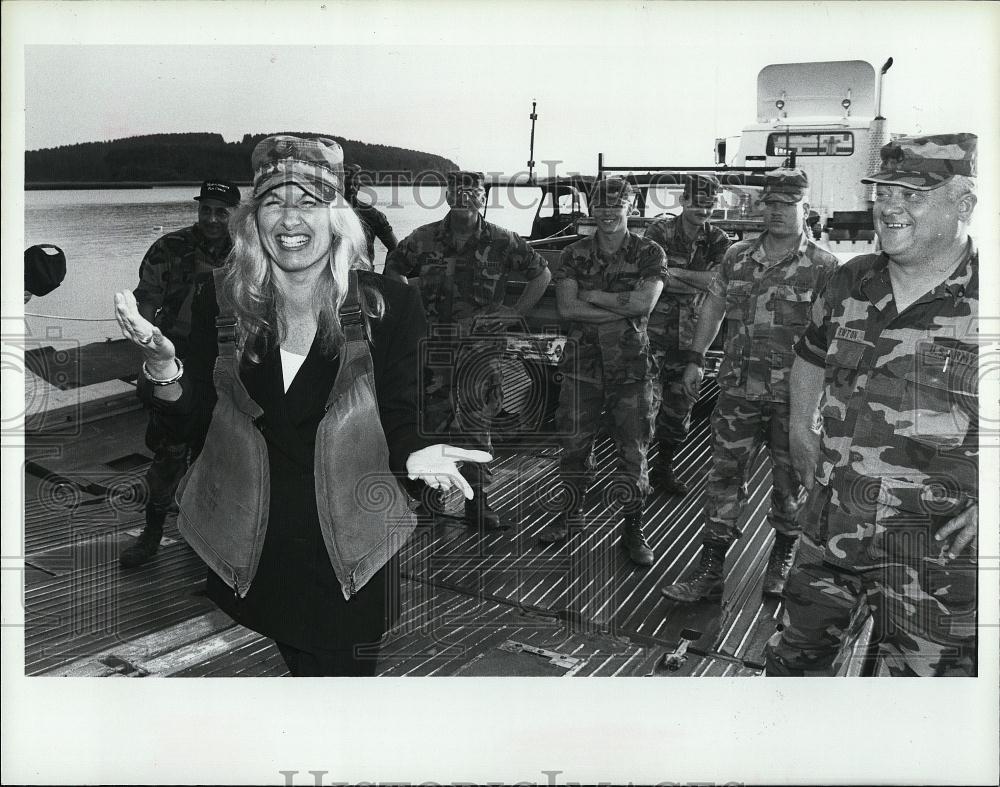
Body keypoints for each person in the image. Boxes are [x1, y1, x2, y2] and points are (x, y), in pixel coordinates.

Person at [114, 134, 488, 676]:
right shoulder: (220, 299)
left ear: (338, 217)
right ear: (253, 221)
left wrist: (414, 453)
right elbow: (196, 419)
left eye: (310, 201)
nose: (290, 219)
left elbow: (402, 414)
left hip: (349, 554)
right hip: (260, 546)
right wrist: (164, 368)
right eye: (273, 201)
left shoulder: (389, 306)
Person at [766, 133, 979, 677]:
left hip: (932, 556)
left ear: (963, 204)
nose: (889, 206)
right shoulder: (850, 279)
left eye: (912, 194)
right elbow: (810, 355)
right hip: (829, 529)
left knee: (914, 703)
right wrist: (800, 431)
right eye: (883, 191)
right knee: (792, 670)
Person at [660, 168, 838, 601]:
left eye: (787, 204)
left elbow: (834, 338)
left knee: (790, 482)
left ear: (805, 208)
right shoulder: (737, 256)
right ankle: (710, 569)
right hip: (738, 393)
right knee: (723, 477)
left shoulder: (825, 267)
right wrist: (695, 358)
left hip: (794, 399)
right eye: (770, 203)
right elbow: (715, 305)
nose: (777, 212)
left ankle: (783, 555)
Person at [384, 170, 551, 529]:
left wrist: (514, 313)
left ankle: (479, 504)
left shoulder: (502, 240)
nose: (464, 197)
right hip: (434, 347)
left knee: (477, 423)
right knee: (430, 420)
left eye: (473, 191)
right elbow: (393, 268)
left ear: (483, 198)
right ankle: (430, 499)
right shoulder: (423, 238)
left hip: (481, 349)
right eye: (457, 191)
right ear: (447, 196)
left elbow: (542, 274)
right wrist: (409, 305)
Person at [538, 177, 668, 567]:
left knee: (633, 451)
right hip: (582, 367)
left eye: (617, 204)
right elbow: (567, 309)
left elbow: (644, 305)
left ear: (631, 206)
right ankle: (570, 514)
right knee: (573, 445)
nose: (608, 212)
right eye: (601, 205)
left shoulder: (650, 252)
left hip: (632, 369)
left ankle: (633, 528)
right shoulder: (574, 252)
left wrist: (593, 296)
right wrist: (620, 309)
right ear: (592, 209)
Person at [119, 179, 241, 569]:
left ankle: (203, 533)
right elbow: (145, 303)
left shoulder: (248, 252)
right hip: (177, 363)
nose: (212, 218)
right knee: (170, 451)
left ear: (235, 214)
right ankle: (151, 534)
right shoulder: (169, 247)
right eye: (205, 209)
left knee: (217, 453)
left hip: (228, 365)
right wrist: (147, 348)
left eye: (221, 212)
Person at [644, 173, 732, 495]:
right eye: (696, 202)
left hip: (691, 338)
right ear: (682, 200)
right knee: (642, 406)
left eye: (709, 204)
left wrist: (675, 273)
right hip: (652, 335)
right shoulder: (660, 231)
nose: (703, 209)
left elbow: (718, 283)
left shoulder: (719, 239)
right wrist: (697, 280)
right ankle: (636, 473)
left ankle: (663, 469)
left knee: (679, 407)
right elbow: (652, 275)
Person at [344, 163, 398, 263]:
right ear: (338, 186)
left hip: (364, 271)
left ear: (359, 186)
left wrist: (387, 272)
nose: (351, 188)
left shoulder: (373, 215)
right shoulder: (326, 214)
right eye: (347, 184)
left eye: (355, 184)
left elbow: (395, 249)